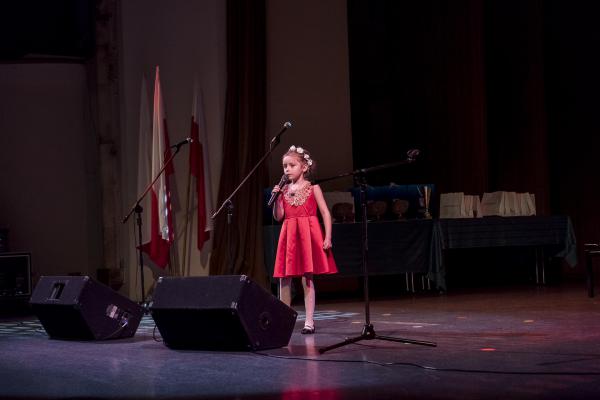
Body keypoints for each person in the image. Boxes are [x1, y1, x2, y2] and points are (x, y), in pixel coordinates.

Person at [271, 145, 338, 334]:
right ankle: (285, 318)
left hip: (307, 233)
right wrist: (276, 200)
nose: (287, 169)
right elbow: (279, 216)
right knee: (284, 278)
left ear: (304, 167)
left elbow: (325, 212)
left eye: (291, 165)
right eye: (284, 166)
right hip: (289, 234)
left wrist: (328, 236)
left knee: (307, 277)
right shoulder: (283, 190)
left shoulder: (312, 187)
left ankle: (309, 321)